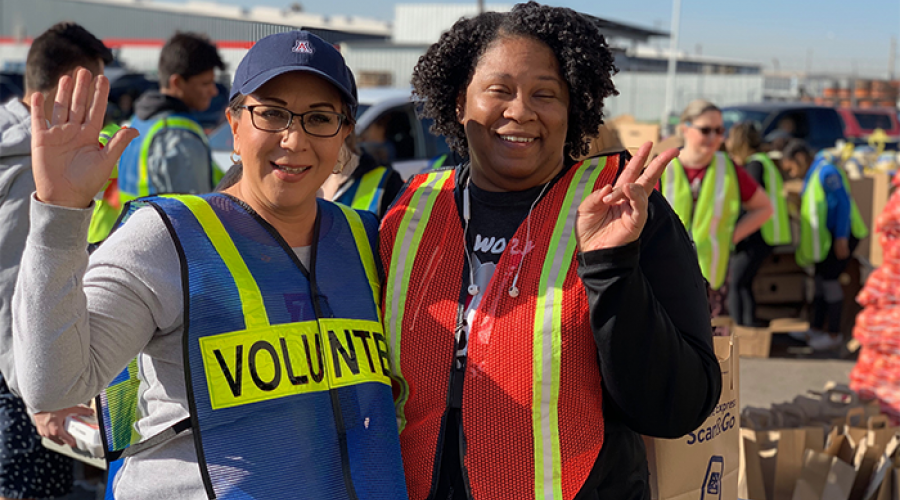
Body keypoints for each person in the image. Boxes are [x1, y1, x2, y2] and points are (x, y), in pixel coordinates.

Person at [13, 30, 407, 499]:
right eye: (272, 113)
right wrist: (59, 214)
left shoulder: (368, 239)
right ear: (234, 124)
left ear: (344, 133)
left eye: (320, 118)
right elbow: (52, 386)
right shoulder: (166, 238)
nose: (294, 138)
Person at [380, 3, 722, 498]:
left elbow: (677, 407)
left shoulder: (624, 209)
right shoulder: (411, 211)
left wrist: (611, 269)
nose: (520, 111)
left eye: (546, 94)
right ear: (459, 102)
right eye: (498, 91)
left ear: (574, 109)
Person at [0, 22, 112, 500]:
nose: (99, 109)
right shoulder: (34, 166)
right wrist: (38, 394)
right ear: (68, 89)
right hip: (17, 380)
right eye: (94, 89)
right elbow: (12, 283)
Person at [88, 33, 225, 244]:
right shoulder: (177, 137)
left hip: (136, 243)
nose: (213, 90)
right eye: (205, 83)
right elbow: (193, 223)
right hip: (169, 258)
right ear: (177, 82)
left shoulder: (141, 121)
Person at [660, 100, 773, 330]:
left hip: (712, 280)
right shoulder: (665, 167)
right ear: (685, 129)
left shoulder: (728, 168)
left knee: (712, 351)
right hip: (668, 278)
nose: (714, 137)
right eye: (705, 130)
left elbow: (764, 208)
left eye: (719, 131)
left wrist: (730, 236)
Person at [781, 140, 869, 350]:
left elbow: (843, 204)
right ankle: (816, 328)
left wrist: (840, 237)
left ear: (800, 158)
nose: (792, 174)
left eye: (792, 168)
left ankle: (833, 333)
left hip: (842, 236)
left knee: (830, 282)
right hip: (827, 239)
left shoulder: (826, 171)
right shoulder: (814, 173)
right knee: (820, 281)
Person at [725, 121, 792, 326]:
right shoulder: (765, 161)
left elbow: (750, 202)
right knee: (744, 284)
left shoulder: (754, 165)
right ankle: (748, 329)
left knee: (735, 284)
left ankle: (740, 331)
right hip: (765, 234)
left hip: (756, 234)